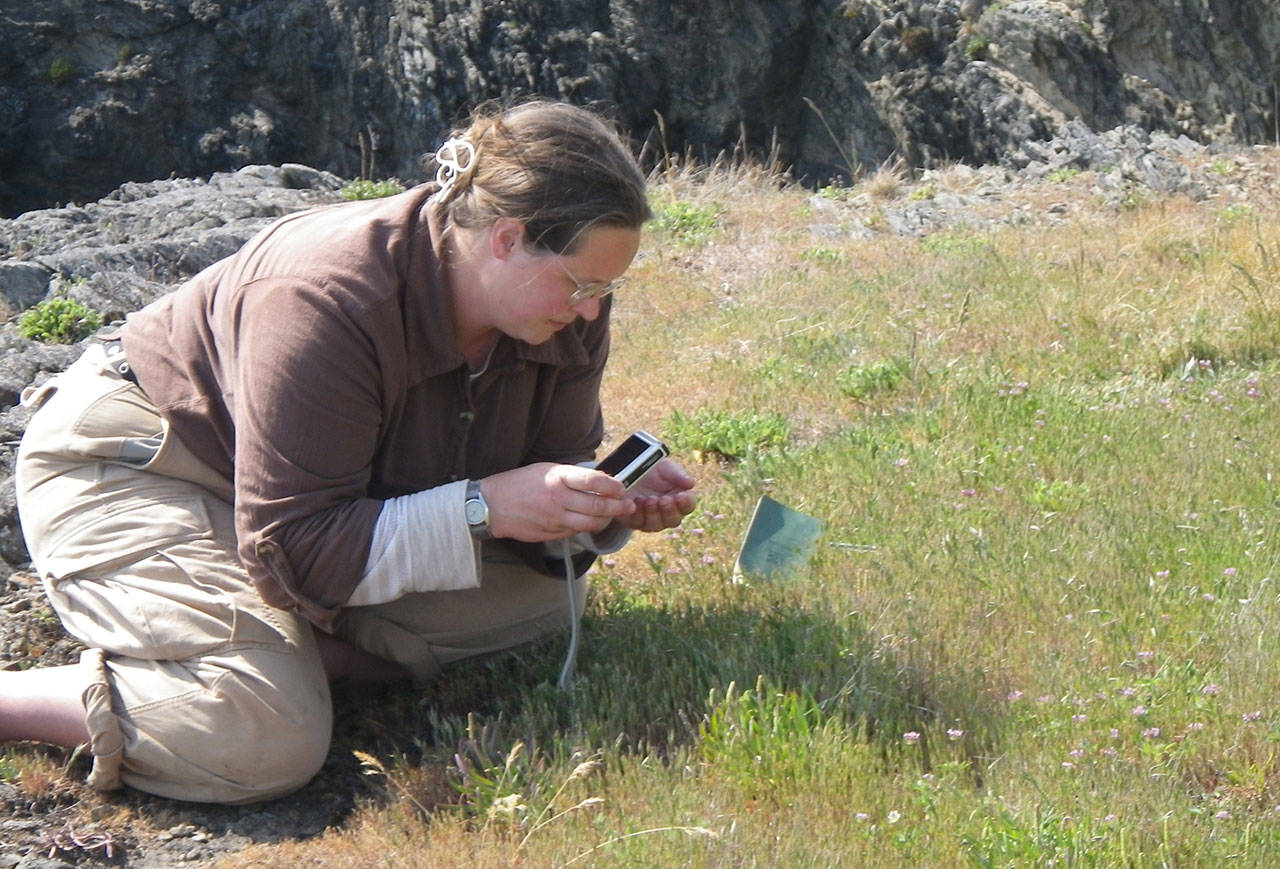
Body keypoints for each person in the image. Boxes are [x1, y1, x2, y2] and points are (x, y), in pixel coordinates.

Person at [0, 100, 697, 804]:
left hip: (307, 505)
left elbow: (539, 486)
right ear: (506, 240)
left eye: (605, 289)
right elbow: (294, 546)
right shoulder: (324, 297)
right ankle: (22, 700)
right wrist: (485, 505)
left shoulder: (565, 311)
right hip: (141, 459)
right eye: (581, 284)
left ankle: (294, 656)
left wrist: (591, 499)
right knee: (264, 736)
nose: (589, 310)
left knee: (549, 605)